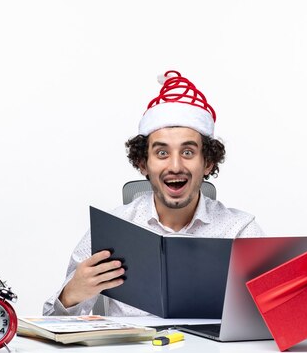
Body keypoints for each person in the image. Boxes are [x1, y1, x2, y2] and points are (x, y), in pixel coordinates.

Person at [43, 70, 264, 316]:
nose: (175, 166)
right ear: (142, 163)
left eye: (188, 152)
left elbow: (270, 319)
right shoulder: (110, 231)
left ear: (208, 163)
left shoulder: (241, 231)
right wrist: (72, 294)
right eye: (161, 153)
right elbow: (52, 323)